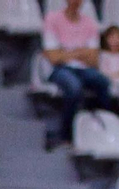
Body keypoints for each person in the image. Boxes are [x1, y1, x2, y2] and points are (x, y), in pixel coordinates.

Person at [41, 0, 114, 151]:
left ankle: (103, 129)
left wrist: (66, 52)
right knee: (74, 87)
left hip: (83, 68)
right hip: (59, 69)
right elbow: (53, 57)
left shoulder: (89, 23)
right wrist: (81, 52)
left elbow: (94, 59)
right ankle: (66, 136)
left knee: (103, 82)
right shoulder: (52, 19)